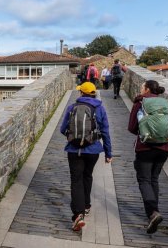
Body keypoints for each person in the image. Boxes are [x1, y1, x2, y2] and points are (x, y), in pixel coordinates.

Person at [128, 80, 168, 234]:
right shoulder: (166, 103)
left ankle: (153, 213)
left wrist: (146, 131)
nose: (140, 89)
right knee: (154, 179)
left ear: (147, 89)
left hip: (145, 148)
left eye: (142, 87)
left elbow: (131, 127)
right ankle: (153, 212)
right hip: (164, 148)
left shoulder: (140, 102)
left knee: (144, 180)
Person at [60, 82, 112, 231]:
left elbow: (63, 129)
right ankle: (87, 205)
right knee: (87, 176)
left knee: (76, 180)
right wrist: (108, 153)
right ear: (94, 94)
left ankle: (78, 214)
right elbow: (106, 132)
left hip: (74, 150)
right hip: (93, 150)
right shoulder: (100, 108)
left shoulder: (72, 108)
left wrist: (74, 137)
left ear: (81, 93)